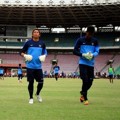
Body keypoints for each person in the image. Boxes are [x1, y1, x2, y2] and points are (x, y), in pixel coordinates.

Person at [73, 26, 99, 105]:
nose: (89, 35)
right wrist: (83, 54)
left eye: (91, 34)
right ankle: (85, 98)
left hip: (91, 64)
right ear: (86, 32)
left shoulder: (95, 41)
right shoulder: (80, 40)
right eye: (88, 33)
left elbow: (97, 51)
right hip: (82, 63)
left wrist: (93, 54)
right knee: (85, 80)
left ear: (92, 34)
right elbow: (74, 51)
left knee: (90, 81)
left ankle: (82, 92)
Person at [20, 28, 47, 104]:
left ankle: (37, 94)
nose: (35, 33)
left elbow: (45, 52)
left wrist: (44, 56)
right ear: (32, 34)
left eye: (37, 32)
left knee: (41, 82)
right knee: (31, 82)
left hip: (38, 67)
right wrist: (25, 55)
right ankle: (31, 97)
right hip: (30, 66)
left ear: (39, 34)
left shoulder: (42, 43)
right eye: (34, 32)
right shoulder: (28, 43)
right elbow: (21, 52)